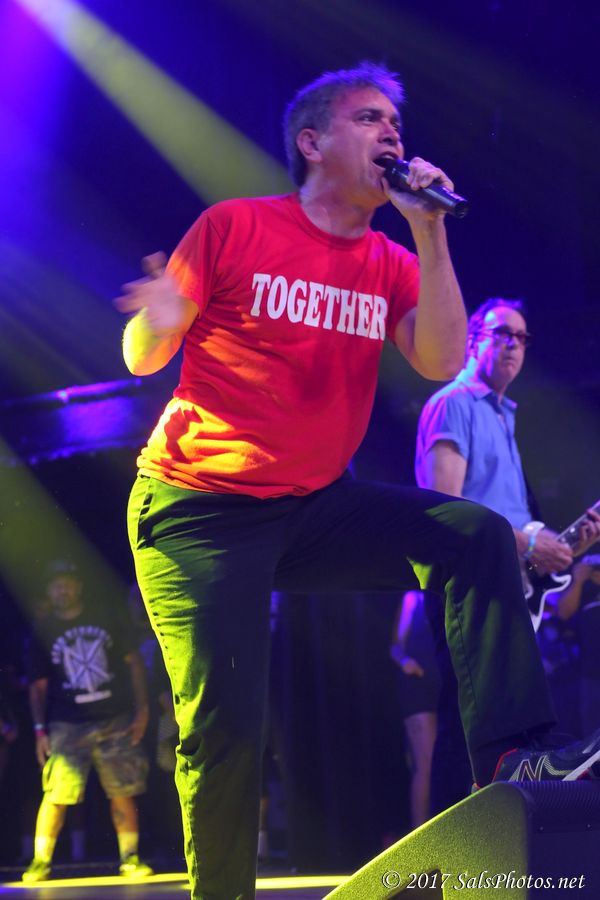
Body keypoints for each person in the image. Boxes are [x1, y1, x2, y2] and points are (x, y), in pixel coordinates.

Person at [116, 62, 600, 900]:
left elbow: (441, 358)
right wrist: (155, 322)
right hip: (198, 510)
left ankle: (512, 756)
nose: (392, 134)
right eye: (370, 119)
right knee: (226, 724)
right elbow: (142, 355)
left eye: (396, 124)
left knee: (474, 535)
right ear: (313, 142)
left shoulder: (389, 259)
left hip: (310, 505)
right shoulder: (236, 226)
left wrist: (430, 230)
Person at [22, 559, 153, 883]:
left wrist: (142, 710)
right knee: (56, 793)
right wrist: (39, 730)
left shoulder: (105, 619)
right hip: (67, 725)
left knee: (122, 790)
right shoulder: (43, 632)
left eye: (67, 584)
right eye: (56, 586)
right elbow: (38, 687)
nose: (62, 590)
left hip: (114, 719)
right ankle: (40, 861)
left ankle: (130, 858)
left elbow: (135, 663)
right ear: (49, 591)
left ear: (78, 587)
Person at [390, 590, 440, 829]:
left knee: (447, 762)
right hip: (419, 684)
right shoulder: (413, 597)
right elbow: (395, 646)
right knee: (426, 764)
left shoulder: (450, 596)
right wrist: (406, 663)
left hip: (446, 685)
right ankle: (420, 835)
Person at [556, 554, 600, 733]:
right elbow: (563, 612)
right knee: (591, 730)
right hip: (591, 669)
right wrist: (579, 580)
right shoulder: (580, 554)